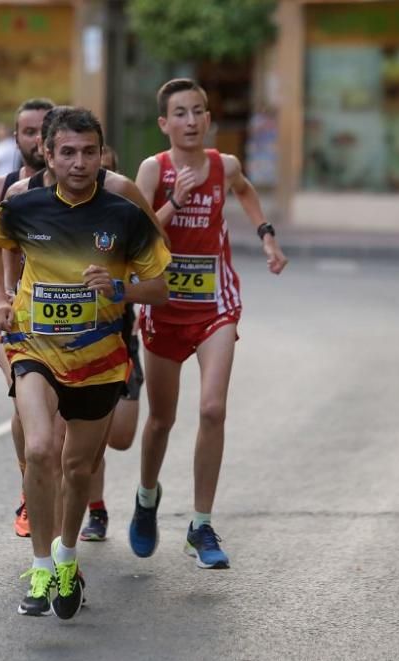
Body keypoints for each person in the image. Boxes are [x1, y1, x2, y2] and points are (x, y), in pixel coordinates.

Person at [0, 107, 171, 619]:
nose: (79, 162)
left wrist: (119, 288)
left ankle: (66, 556)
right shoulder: (23, 205)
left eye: (89, 152)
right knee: (41, 448)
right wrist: (0, 298)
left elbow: (160, 287)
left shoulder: (122, 212)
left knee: (78, 466)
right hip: (34, 347)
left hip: (100, 358)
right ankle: (41, 568)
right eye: (67, 152)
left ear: (102, 154)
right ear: (48, 154)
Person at [128, 78, 288, 570]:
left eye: (199, 111)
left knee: (213, 409)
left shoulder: (225, 166)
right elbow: (134, 230)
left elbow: (244, 190)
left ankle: (200, 524)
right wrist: (177, 198)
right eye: (180, 113)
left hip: (215, 304)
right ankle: (147, 496)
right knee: (160, 420)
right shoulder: (153, 169)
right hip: (163, 305)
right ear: (164, 123)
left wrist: (266, 236)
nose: (191, 121)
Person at [0, 98, 54, 539]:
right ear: (16, 138)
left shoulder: (75, 186)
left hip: (64, 321)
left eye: (44, 130)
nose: (37, 139)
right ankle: (30, 484)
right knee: (26, 398)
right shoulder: (0, 189)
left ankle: (63, 492)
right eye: (28, 132)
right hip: (15, 319)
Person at [78, 144, 143, 542]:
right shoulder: (72, 228)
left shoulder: (129, 227)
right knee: (88, 439)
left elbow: (157, 278)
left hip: (123, 342)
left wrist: (121, 286)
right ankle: (96, 510)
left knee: (119, 438)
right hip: (81, 346)